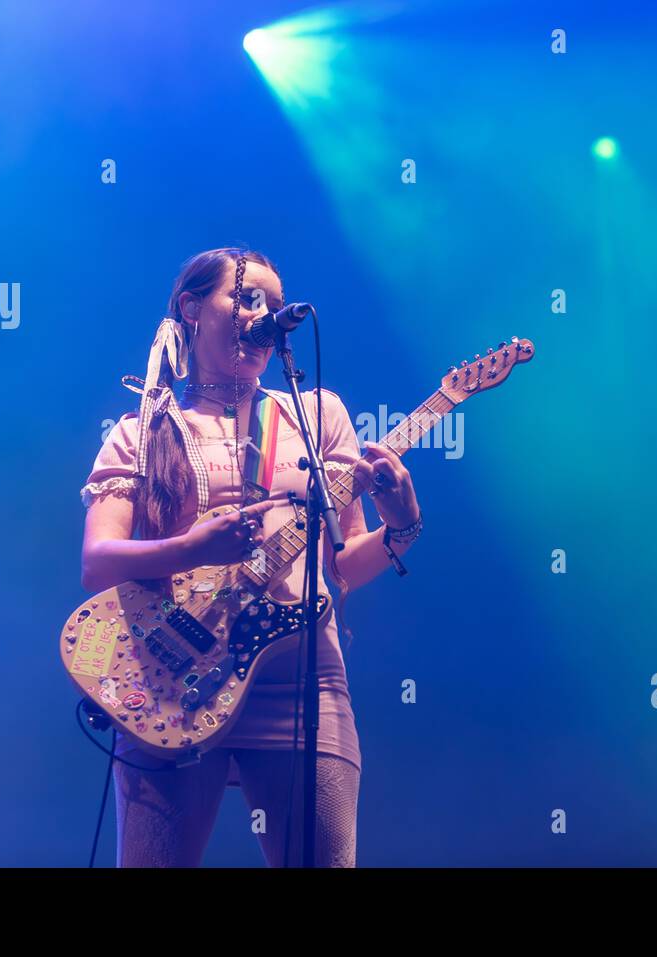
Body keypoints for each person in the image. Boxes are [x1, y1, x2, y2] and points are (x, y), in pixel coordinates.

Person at [79, 247, 422, 867]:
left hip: (303, 680)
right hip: (172, 676)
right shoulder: (144, 429)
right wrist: (191, 548)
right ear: (190, 308)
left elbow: (341, 566)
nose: (263, 313)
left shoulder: (319, 415)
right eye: (246, 297)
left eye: (270, 302)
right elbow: (98, 561)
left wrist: (402, 527)